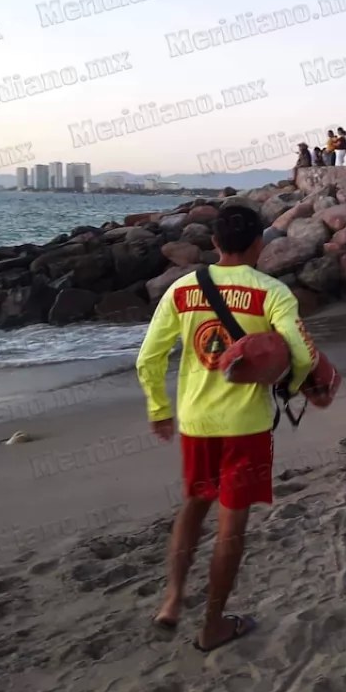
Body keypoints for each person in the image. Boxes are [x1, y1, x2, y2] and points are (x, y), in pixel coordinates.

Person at [137, 205, 315, 652]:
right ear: (259, 244)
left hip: (198, 423)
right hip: (246, 427)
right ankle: (213, 625)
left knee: (194, 505)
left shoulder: (182, 289)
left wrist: (159, 408)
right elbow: (304, 357)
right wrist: (290, 386)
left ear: (214, 244)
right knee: (230, 526)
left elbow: (148, 359)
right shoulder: (272, 291)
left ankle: (173, 600)